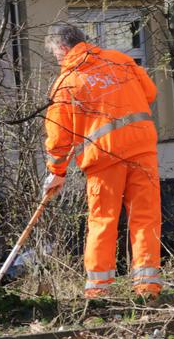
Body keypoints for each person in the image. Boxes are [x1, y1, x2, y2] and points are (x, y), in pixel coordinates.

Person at [41, 23, 162, 300]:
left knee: (103, 220)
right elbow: (150, 94)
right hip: (142, 148)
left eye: (55, 54)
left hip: (104, 157)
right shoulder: (122, 61)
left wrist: (56, 172)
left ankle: (98, 290)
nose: (57, 60)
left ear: (62, 48)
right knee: (146, 217)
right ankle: (147, 287)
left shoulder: (68, 81)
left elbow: (58, 136)